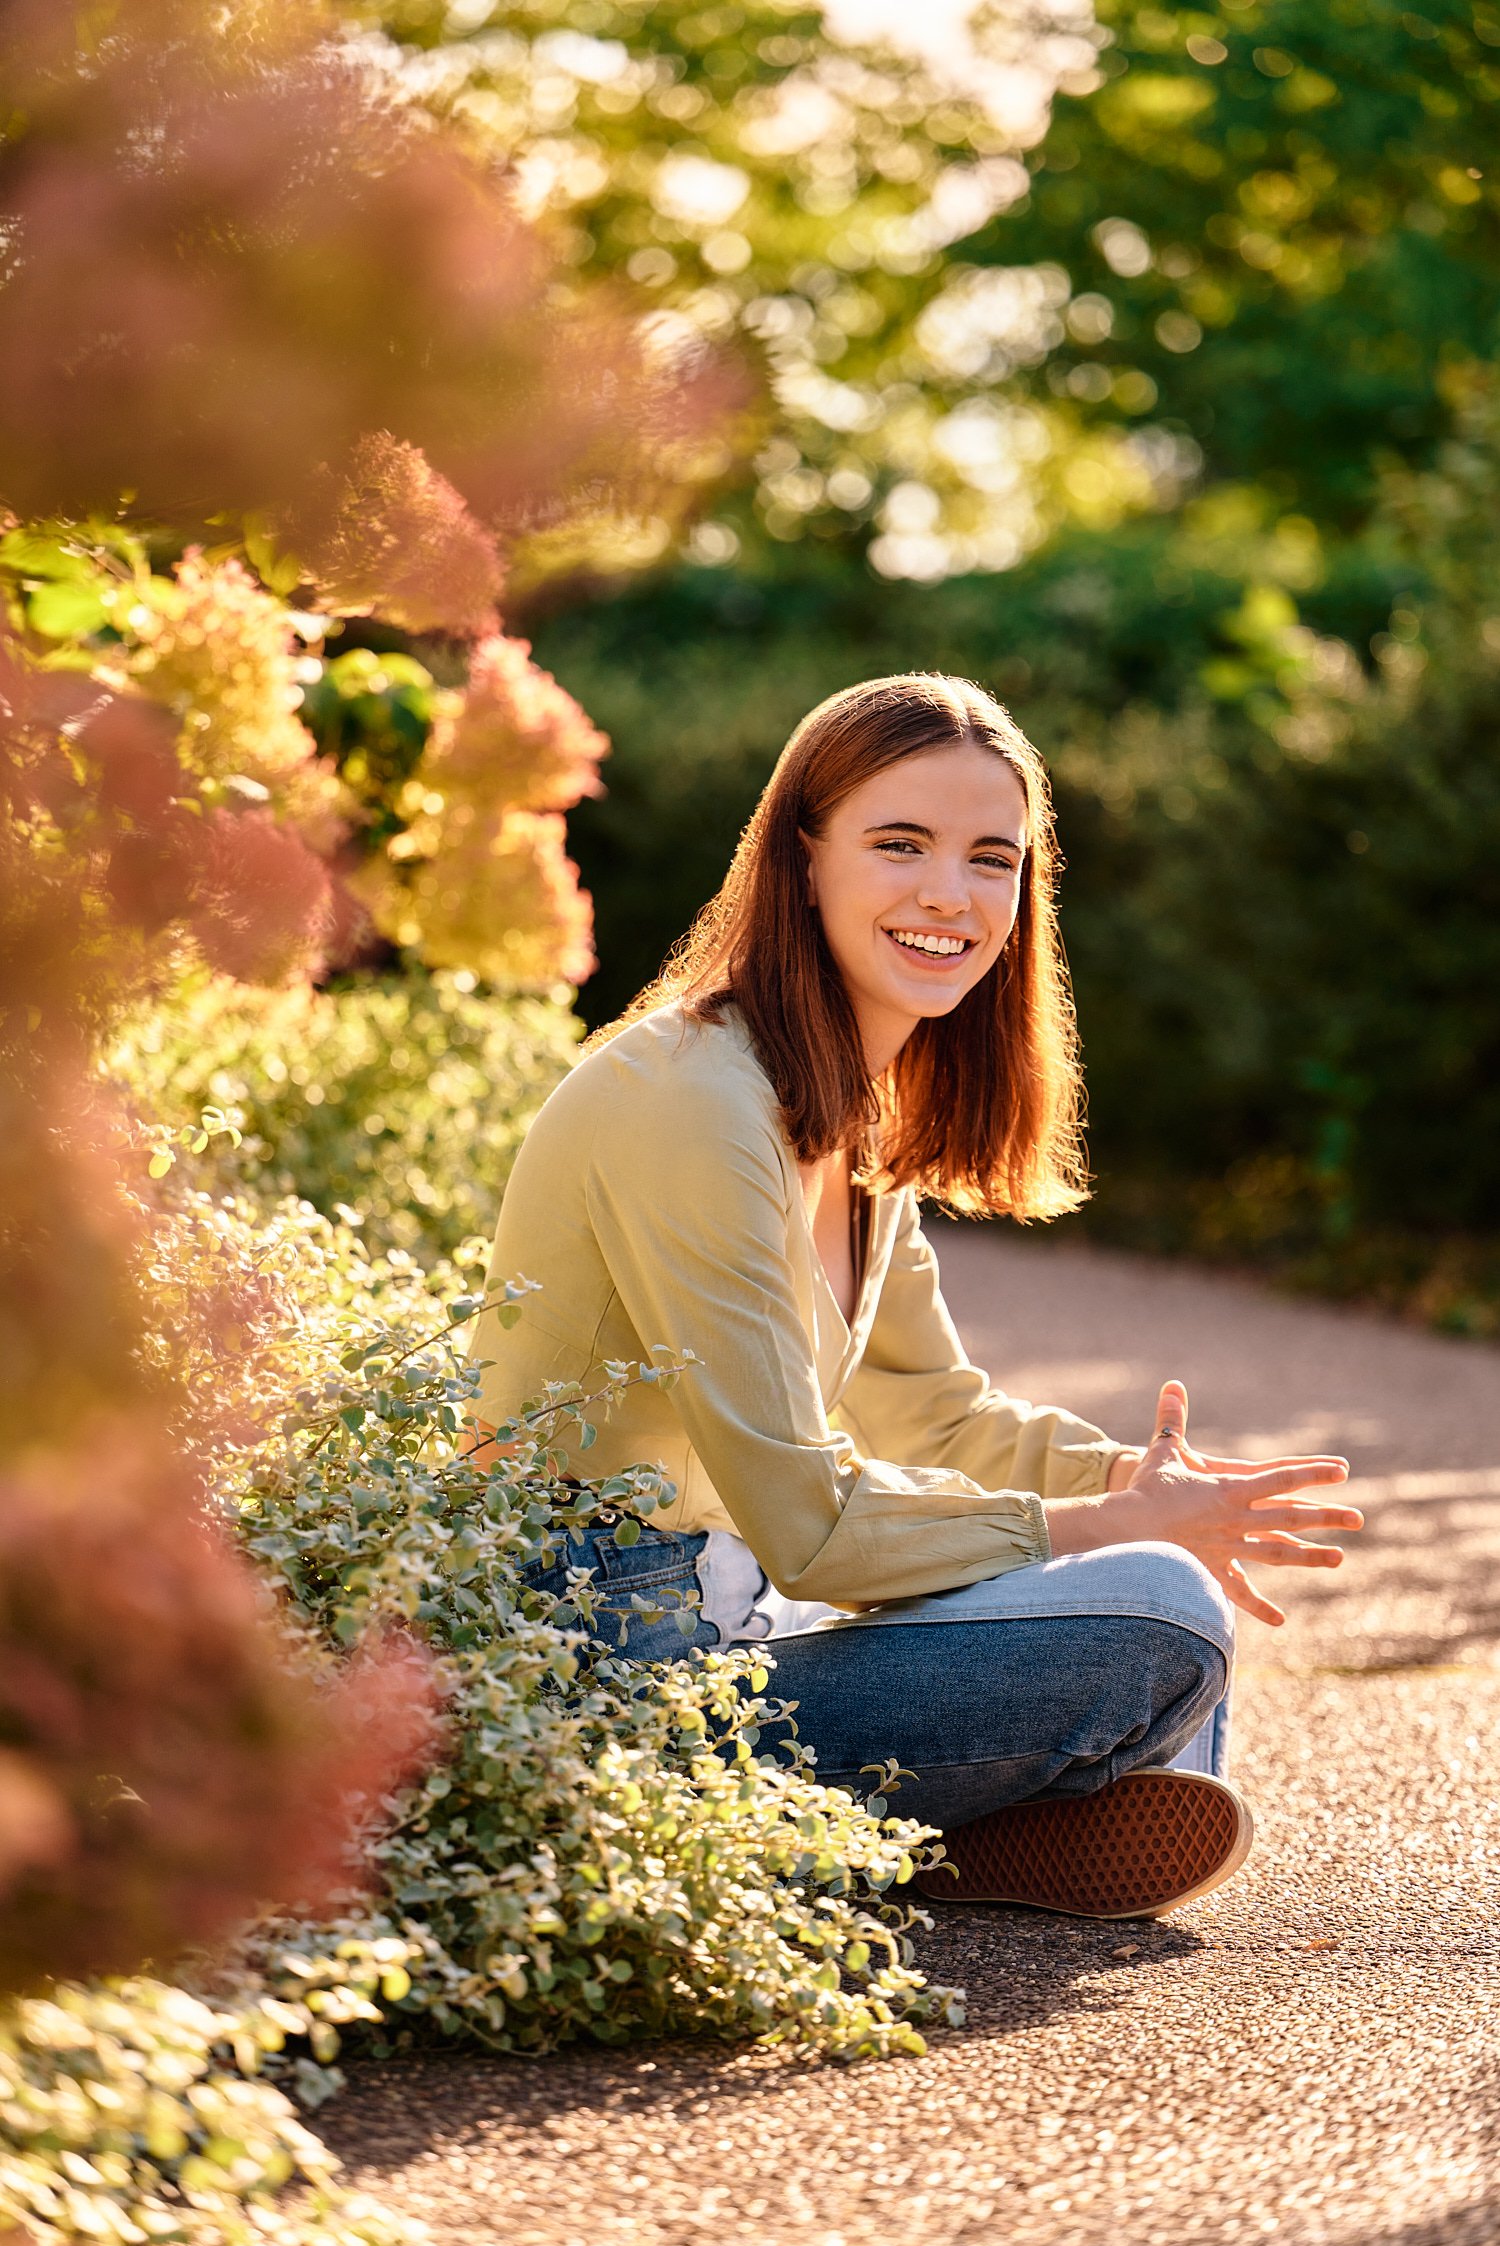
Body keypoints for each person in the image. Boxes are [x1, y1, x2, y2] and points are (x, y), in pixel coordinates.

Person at [467, 674, 1360, 1919]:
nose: (951, 894)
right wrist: (1107, 1535)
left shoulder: (847, 1118)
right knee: (1162, 1611)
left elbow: (935, 1418)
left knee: (1158, 1561)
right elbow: (814, 1524)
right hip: (599, 1667)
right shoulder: (691, 1101)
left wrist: (1140, 1490)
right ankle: (908, 1839)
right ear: (803, 856)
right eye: (901, 845)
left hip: (743, 1616)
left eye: (992, 860)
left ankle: (909, 1839)